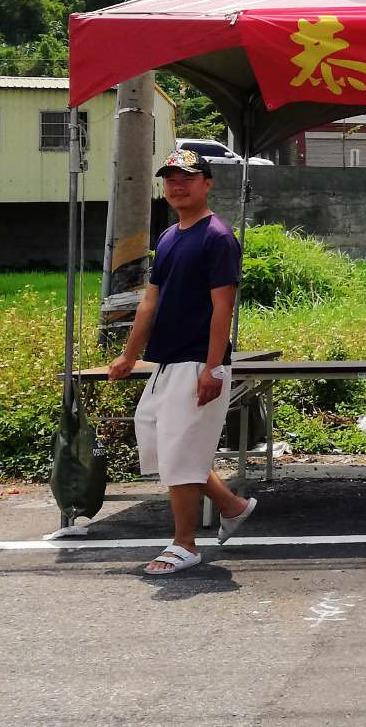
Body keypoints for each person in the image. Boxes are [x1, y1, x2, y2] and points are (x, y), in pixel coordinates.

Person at [108, 147, 258, 574]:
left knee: (179, 457)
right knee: (170, 449)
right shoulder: (169, 238)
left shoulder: (218, 237)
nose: (177, 185)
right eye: (170, 178)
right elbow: (150, 303)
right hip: (166, 364)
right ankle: (232, 506)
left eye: (187, 178)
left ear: (207, 183)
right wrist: (129, 355)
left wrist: (213, 366)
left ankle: (184, 545)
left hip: (198, 362)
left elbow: (222, 308)